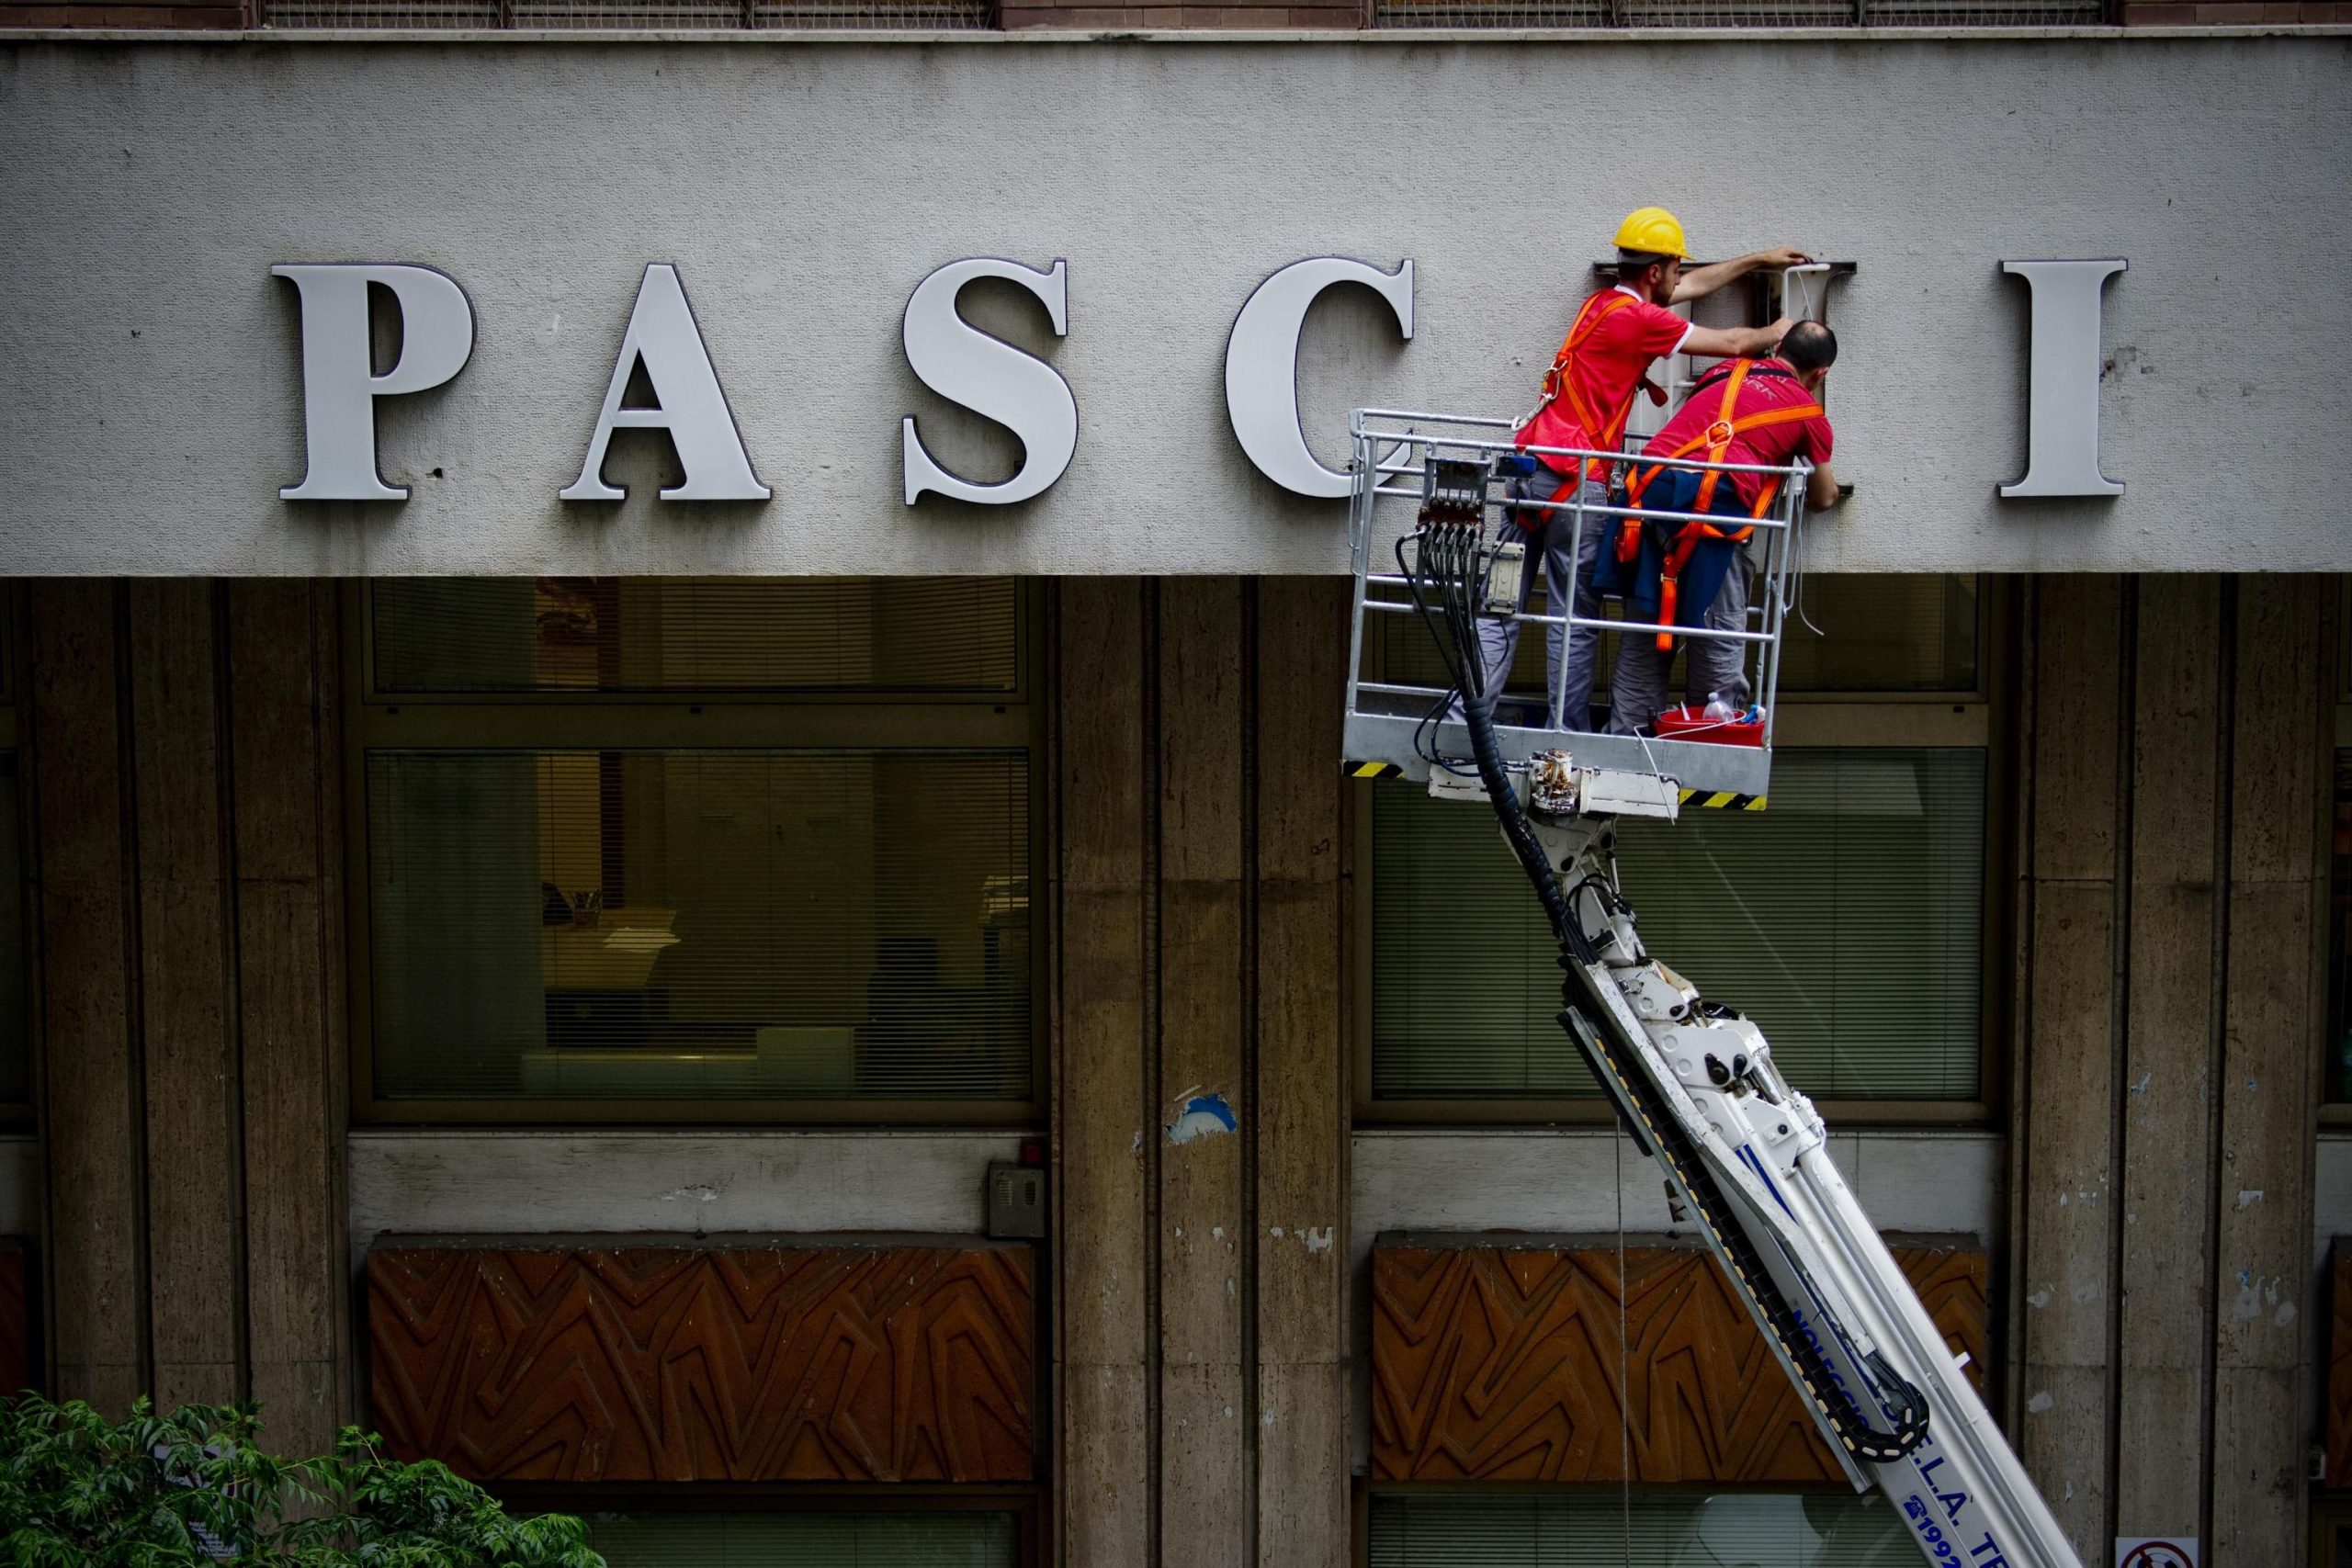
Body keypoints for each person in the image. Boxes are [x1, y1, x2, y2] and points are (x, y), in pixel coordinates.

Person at [1476, 207, 1810, 730]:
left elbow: (1693, 284)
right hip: (1574, 483)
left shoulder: (1602, 306)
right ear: (1655, 272)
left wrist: (1757, 260)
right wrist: (1783, 331)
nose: (1680, 279)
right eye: (1674, 269)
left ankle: (1467, 718)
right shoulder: (1641, 320)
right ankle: (1567, 730)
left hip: (1528, 469)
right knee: (1573, 616)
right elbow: (1732, 345)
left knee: (1496, 605)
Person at [1601, 320, 1844, 737]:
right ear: (1819, 374)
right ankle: (1710, 734)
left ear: (1778, 346)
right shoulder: (1808, 413)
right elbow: (1822, 498)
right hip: (1713, 520)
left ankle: (1627, 738)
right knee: (1719, 631)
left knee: (1645, 630)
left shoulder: (1720, 373)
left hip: (1648, 499)